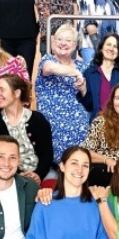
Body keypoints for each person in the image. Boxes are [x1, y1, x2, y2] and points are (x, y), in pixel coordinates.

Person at [36, 24, 89, 164]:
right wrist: (75, 73)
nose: (63, 43)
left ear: (75, 45)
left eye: (68, 40)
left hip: (78, 122)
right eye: (59, 39)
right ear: (53, 43)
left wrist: (83, 87)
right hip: (52, 121)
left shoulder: (83, 66)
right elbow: (50, 69)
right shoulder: (47, 60)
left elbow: (87, 98)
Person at [0, 74, 54, 184]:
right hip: (8, 175)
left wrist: (38, 174)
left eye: (2, 90)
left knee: (55, 182)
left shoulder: (37, 119)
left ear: (16, 93)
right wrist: (18, 175)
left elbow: (47, 153)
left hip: (41, 173)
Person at [83, 33, 119, 120]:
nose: (111, 48)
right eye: (108, 44)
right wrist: (82, 89)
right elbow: (88, 104)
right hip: (98, 122)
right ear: (101, 48)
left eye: (115, 46)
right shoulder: (89, 73)